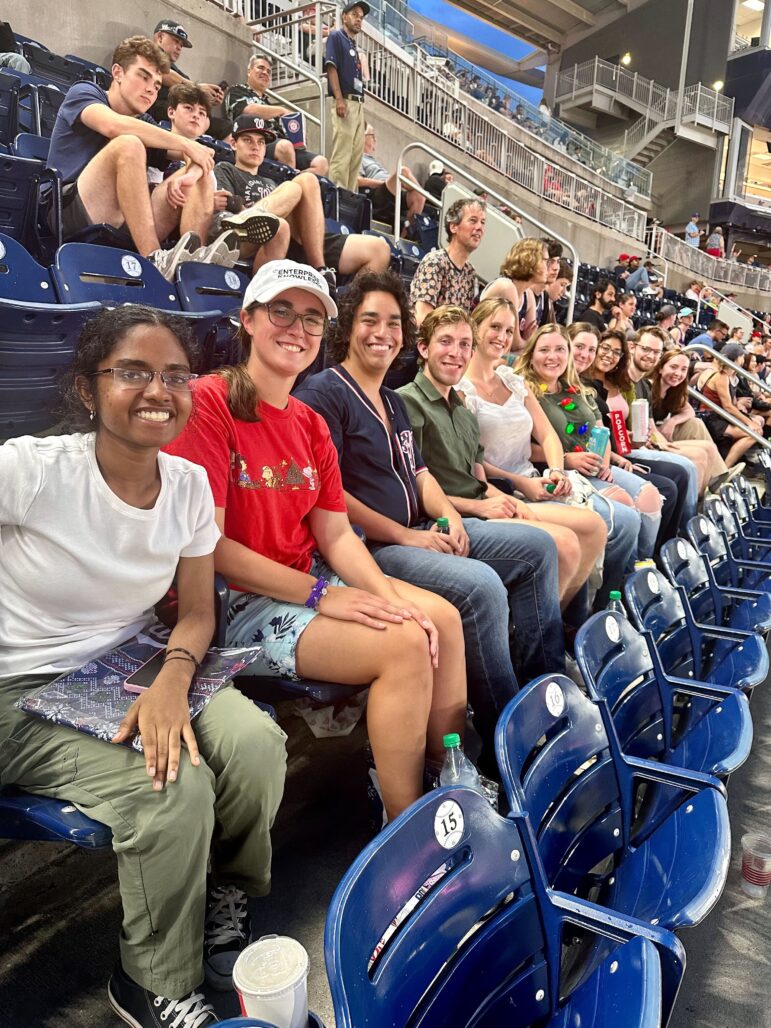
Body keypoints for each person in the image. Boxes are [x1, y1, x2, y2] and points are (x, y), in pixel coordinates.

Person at [0, 305, 287, 1027]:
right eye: (132, 372)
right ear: (87, 388)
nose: (159, 391)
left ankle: (223, 894)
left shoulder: (187, 484)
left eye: (176, 376)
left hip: (135, 661)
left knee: (255, 745)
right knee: (170, 787)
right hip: (23, 685)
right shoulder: (29, 470)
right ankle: (150, 980)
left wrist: (172, 679)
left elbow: (197, 612)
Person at [166, 261, 467, 823]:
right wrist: (322, 596)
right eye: (281, 311)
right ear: (248, 319)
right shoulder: (210, 403)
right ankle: (406, 822)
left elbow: (335, 532)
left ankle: (443, 775)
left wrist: (387, 597)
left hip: (304, 582)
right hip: (231, 601)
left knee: (440, 620)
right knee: (404, 646)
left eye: (311, 319)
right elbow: (209, 546)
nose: (297, 329)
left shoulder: (309, 423)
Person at [295, 274, 566, 767]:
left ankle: (546, 694)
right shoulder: (324, 393)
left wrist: (448, 514)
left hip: (421, 528)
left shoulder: (391, 399)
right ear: (348, 327)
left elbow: (419, 472)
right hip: (372, 547)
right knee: (481, 588)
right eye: (370, 320)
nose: (382, 333)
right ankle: (512, 745)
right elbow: (330, 497)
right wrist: (406, 536)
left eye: (393, 322)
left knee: (538, 548)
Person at [395, 304, 567, 671]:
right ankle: (540, 672)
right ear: (423, 348)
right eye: (445, 342)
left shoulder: (461, 407)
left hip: (477, 508)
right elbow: (411, 487)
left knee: (546, 540)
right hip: (443, 518)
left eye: (464, 345)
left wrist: (506, 500)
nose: (456, 353)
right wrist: (478, 507)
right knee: (542, 547)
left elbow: (478, 478)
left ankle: (542, 668)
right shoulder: (408, 402)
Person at [46, 36, 240, 280]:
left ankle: (194, 269)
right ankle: (154, 260)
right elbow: (112, 126)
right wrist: (186, 145)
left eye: (157, 85)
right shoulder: (84, 92)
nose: (151, 89)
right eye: (143, 77)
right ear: (118, 72)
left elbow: (205, 153)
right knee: (129, 144)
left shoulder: (144, 123)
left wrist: (189, 175)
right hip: (67, 210)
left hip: (125, 218)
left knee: (198, 166)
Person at [460, 297, 607, 605]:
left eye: (508, 330)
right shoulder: (462, 389)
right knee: (585, 532)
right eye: (495, 327)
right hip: (499, 489)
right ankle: (549, 622)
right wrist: (523, 484)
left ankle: (563, 615)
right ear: (475, 327)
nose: (502, 336)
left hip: (534, 479)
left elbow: (548, 434)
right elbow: (472, 461)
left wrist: (556, 470)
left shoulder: (512, 380)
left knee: (595, 528)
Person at [511, 324, 642, 606]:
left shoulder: (576, 387)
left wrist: (605, 461)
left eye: (560, 349)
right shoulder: (522, 388)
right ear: (531, 354)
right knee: (626, 517)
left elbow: (599, 428)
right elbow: (518, 447)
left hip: (590, 467)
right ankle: (596, 604)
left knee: (645, 500)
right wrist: (566, 460)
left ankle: (619, 593)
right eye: (544, 350)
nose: (553, 356)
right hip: (552, 471)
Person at [214, 115, 389, 279]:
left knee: (379, 249)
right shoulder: (225, 169)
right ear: (233, 144)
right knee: (295, 191)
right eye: (247, 140)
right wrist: (237, 206)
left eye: (261, 142)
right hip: (256, 238)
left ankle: (332, 283)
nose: (255, 147)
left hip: (297, 242)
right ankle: (318, 268)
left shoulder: (271, 182)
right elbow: (225, 214)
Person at [574, 325, 687, 546]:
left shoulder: (621, 383)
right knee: (668, 485)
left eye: (616, 352)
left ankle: (668, 546)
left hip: (621, 450)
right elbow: (593, 432)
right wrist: (616, 456)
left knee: (681, 472)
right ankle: (650, 554)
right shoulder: (583, 386)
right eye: (604, 348)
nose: (609, 355)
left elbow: (616, 428)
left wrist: (632, 440)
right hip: (604, 456)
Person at [224, 54, 328, 175]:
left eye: (268, 71)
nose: (265, 72)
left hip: (280, 143)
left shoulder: (268, 103)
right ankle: (289, 184)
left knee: (321, 163)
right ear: (249, 71)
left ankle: (295, 181)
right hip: (256, 141)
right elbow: (248, 111)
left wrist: (298, 138)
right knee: (285, 147)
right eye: (260, 68)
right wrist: (281, 110)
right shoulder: (237, 90)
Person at [649, 348, 740, 485]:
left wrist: (672, 422)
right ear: (661, 368)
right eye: (673, 367)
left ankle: (719, 476)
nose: (678, 373)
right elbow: (647, 425)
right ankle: (715, 480)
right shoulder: (648, 387)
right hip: (648, 435)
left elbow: (689, 411)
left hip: (660, 429)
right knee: (704, 449)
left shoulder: (674, 390)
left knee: (695, 423)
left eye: (683, 369)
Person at [410, 197, 484, 324]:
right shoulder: (434, 262)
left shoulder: (469, 271)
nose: (479, 227)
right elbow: (422, 318)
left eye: (482, 222)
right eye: (473, 220)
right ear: (453, 227)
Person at [695, 342, 766, 468]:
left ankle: (735, 461)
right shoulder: (721, 376)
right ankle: (725, 468)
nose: (743, 359)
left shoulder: (733, 376)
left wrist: (740, 406)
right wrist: (749, 422)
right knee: (753, 433)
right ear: (737, 358)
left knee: (756, 428)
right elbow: (727, 406)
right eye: (742, 356)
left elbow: (732, 404)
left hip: (721, 416)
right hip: (712, 418)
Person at [325, 1, 369, 191]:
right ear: (344, 17)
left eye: (361, 17)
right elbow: (331, 68)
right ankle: (336, 195)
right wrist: (339, 99)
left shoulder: (353, 44)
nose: (359, 19)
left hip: (357, 103)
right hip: (345, 99)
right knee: (342, 154)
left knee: (356, 155)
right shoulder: (336, 36)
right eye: (354, 15)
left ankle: (349, 197)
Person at [480, 237, 550, 352]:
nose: (548, 268)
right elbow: (514, 344)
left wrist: (527, 343)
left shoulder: (528, 294)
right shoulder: (506, 287)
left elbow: (531, 342)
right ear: (530, 259)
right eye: (545, 261)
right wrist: (526, 342)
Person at [149, 19, 224, 124]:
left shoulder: (180, 73)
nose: (179, 48)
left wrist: (207, 98)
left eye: (181, 45)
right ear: (160, 37)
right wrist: (197, 88)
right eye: (176, 41)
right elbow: (161, 72)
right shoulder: (147, 53)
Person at [358, 123, 425, 227]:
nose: (375, 140)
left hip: (389, 188)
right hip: (375, 193)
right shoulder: (359, 157)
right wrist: (382, 183)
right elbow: (357, 180)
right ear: (362, 137)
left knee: (419, 196)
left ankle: (405, 234)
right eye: (372, 136)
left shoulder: (375, 161)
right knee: (403, 171)